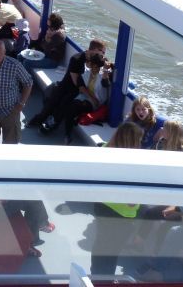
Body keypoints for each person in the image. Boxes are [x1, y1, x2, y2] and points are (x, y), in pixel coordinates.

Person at [90, 121, 143, 278]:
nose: (140, 144)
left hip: (101, 206)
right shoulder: (133, 166)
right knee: (112, 251)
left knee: (100, 244)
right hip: (122, 215)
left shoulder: (105, 149)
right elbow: (132, 202)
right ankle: (106, 280)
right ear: (132, 142)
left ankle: (96, 277)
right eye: (139, 140)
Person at [26, 39, 108, 130]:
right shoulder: (77, 59)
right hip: (69, 86)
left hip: (81, 90)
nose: (103, 55)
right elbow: (76, 82)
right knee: (52, 103)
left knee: (64, 105)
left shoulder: (95, 61)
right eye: (102, 52)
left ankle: (52, 125)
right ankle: (38, 120)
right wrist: (92, 98)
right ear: (95, 49)